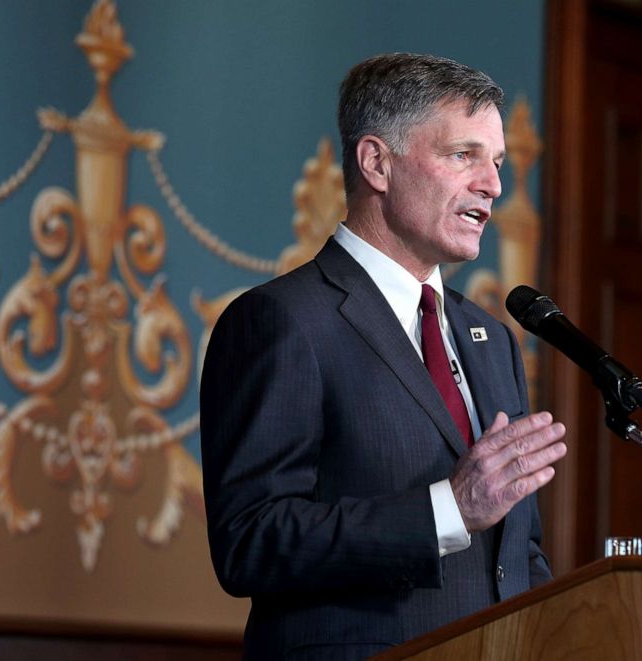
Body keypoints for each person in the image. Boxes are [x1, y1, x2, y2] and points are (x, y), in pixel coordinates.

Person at [200, 52, 567, 660]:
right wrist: (448, 508)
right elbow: (250, 541)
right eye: (463, 155)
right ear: (377, 163)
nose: (493, 185)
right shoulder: (284, 321)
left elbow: (517, 556)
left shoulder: (492, 339)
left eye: (497, 162)